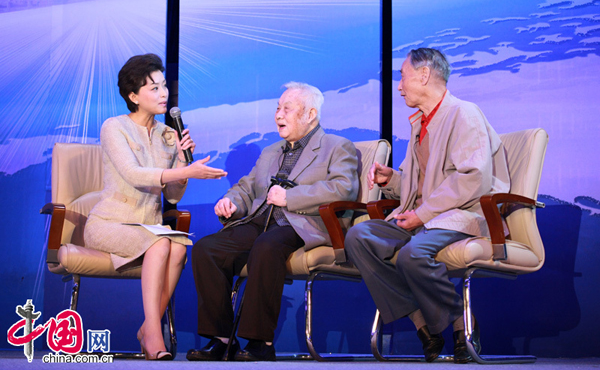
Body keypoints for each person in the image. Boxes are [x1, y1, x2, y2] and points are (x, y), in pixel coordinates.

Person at [345, 48, 510, 364]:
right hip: (422, 219)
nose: (399, 85)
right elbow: (419, 183)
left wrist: (421, 214)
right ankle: (424, 327)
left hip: (462, 216)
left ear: (424, 74)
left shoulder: (465, 113)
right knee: (359, 238)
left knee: (413, 254)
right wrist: (392, 178)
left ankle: (463, 326)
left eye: (403, 76)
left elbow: (472, 178)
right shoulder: (420, 123)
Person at [187, 82, 359, 362]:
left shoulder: (337, 146)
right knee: (207, 248)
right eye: (277, 108)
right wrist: (232, 202)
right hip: (260, 220)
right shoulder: (270, 152)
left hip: (302, 224)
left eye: (287, 109)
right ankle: (221, 339)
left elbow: (343, 189)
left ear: (310, 114)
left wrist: (291, 197)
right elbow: (246, 187)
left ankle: (260, 342)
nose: (278, 114)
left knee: (266, 246)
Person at [83, 54, 227, 360]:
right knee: (162, 243)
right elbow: (134, 175)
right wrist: (186, 171)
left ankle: (148, 327)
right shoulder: (114, 127)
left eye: (164, 87)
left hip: (149, 226)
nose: (163, 94)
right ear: (133, 96)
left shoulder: (168, 134)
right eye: (153, 89)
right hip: (110, 224)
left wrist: (182, 158)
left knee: (177, 247)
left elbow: (173, 196)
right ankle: (154, 331)